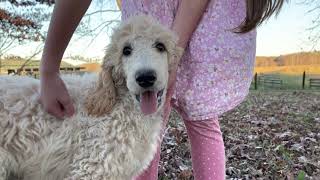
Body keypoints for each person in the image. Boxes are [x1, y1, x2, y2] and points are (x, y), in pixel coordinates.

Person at [40, 0, 285, 179]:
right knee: (143, 123)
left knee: (188, 121)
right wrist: (49, 68)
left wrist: (173, 56)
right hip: (154, 22)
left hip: (195, 24)